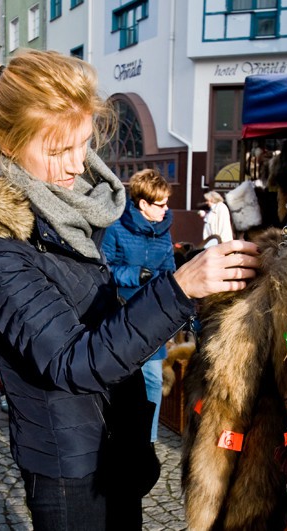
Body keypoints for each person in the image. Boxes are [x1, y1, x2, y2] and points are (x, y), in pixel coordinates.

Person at [0, 50, 259, 530]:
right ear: (10, 145)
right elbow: (72, 361)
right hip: (70, 467)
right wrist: (178, 289)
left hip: (113, 440)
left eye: (84, 144)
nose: (77, 165)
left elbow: (100, 315)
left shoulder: (63, 209)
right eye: (59, 151)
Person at [101, 169, 175, 451]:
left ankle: (149, 439)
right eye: (161, 204)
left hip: (153, 314)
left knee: (153, 378)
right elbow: (103, 269)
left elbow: (169, 271)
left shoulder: (164, 232)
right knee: (120, 378)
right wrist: (135, 275)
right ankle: (116, 435)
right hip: (122, 312)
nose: (166, 209)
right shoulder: (116, 227)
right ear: (143, 203)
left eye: (167, 203)